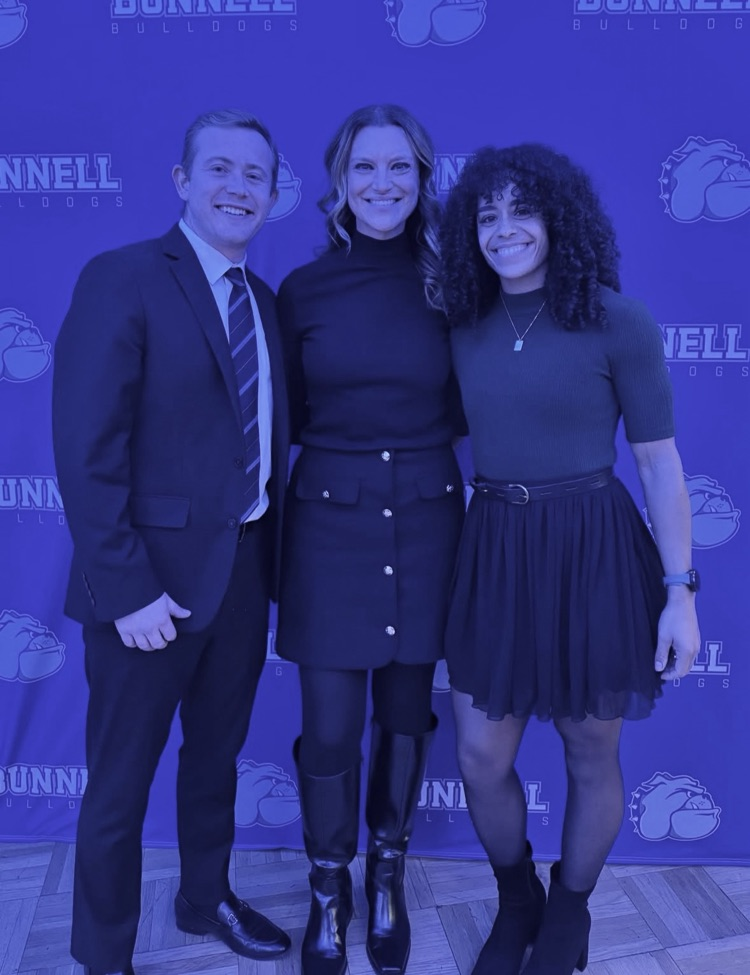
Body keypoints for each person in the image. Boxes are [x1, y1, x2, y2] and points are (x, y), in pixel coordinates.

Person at [438, 144, 701, 975]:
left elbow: (659, 464)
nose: (504, 230)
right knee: (481, 756)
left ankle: (570, 913)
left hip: (590, 546)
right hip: (495, 546)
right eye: (487, 215)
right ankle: (520, 900)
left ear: (559, 221)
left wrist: (680, 592)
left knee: (592, 750)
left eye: (522, 212)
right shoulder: (464, 321)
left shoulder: (618, 320)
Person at [52, 109, 291, 975]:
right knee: (118, 785)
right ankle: (102, 953)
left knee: (216, 760)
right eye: (219, 168)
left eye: (255, 175)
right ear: (182, 180)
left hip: (238, 581)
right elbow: (87, 448)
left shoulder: (262, 302)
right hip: (144, 593)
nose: (239, 186)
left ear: (272, 194)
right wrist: (127, 591)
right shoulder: (121, 278)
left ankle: (204, 896)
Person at [275, 104, 465, 975]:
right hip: (328, 522)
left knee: (402, 714)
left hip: (428, 516)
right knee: (329, 727)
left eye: (399, 167)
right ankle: (328, 889)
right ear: (339, 184)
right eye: (364, 169)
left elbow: (476, 406)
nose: (381, 184)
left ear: (424, 178)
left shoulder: (458, 284)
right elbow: (287, 417)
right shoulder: (304, 291)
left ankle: (386, 875)